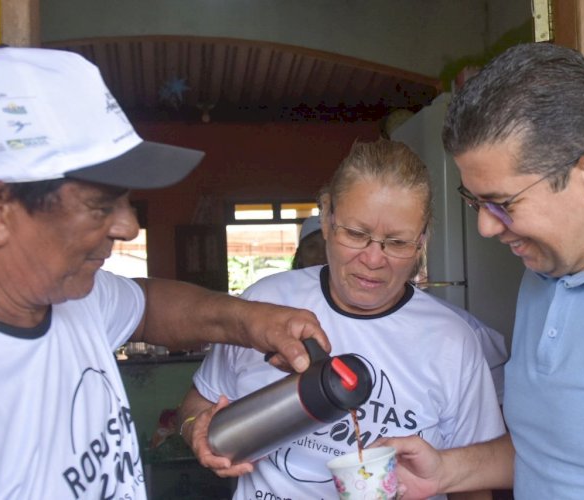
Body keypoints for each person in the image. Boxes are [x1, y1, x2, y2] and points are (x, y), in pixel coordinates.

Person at [0, 46, 331, 499]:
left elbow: (147, 304)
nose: (128, 226)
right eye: (100, 204)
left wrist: (254, 321)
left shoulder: (71, 298)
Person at [377, 42, 584, 499]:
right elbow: (552, 453)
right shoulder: (546, 268)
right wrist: (444, 471)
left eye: (503, 204)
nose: (486, 227)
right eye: (475, 203)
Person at [178, 139, 505, 500]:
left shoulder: (452, 340)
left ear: (422, 239)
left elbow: (473, 484)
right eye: (356, 234)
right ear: (327, 215)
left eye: (396, 242)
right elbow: (199, 403)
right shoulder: (265, 304)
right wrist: (196, 429)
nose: (373, 259)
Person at [293, 215, 508, 403]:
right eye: (312, 248)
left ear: (417, 248)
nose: (373, 259)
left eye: (396, 242)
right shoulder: (276, 305)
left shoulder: (459, 331)